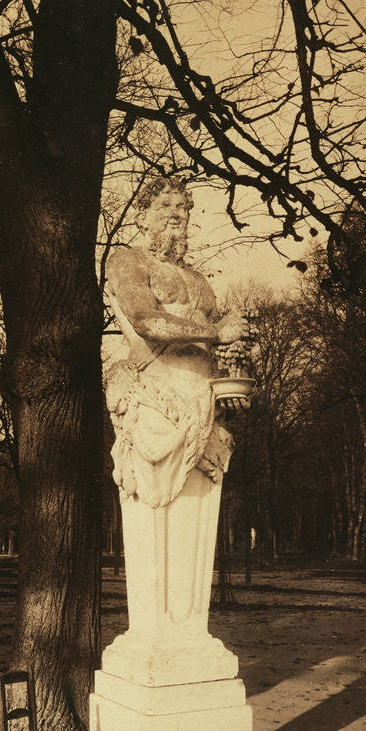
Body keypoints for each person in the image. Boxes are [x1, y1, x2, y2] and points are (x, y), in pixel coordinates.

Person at [105, 174, 248, 509]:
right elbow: (145, 320)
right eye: (165, 205)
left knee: (201, 519)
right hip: (157, 402)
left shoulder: (199, 281)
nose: (175, 213)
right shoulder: (128, 260)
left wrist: (230, 385)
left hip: (205, 404)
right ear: (142, 218)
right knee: (157, 517)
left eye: (182, 207)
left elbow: (210, 346)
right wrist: (217, 333)